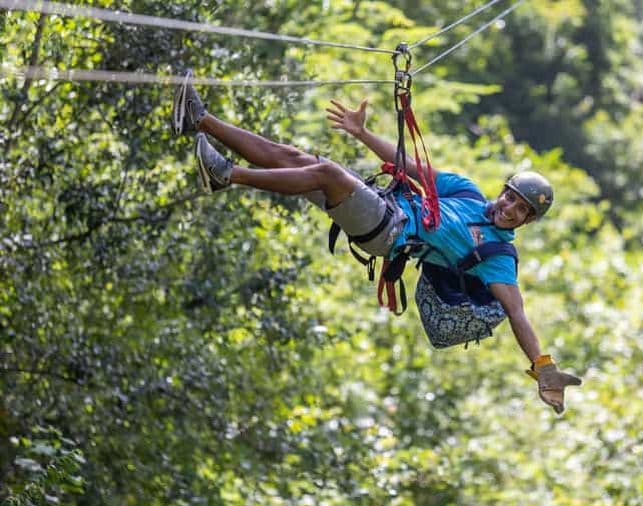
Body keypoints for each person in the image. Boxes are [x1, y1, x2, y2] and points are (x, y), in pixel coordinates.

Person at [172, 72, 582, 413]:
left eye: (521, 210)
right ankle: (201, 120)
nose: (510, 208)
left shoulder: (498, 255)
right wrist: (362, 133)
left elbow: (516, 312)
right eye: (511, 197)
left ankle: (230, 175)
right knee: (300, 160)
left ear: (526, 221)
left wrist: (542, 367)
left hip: (389, 233)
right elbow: (412, 167)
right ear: (504, 190)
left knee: (328, 173)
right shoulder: (469, 193)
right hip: (384, 203)